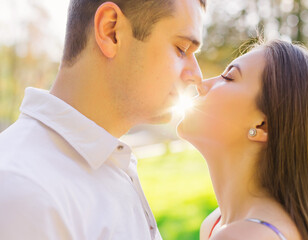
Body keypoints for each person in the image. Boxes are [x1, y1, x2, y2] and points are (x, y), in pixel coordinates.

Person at [0, 0, 205, 239]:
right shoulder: (23, 191)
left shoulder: (111, 162)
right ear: (111, 31)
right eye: (181, 48)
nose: (197, 75)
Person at [178, 39, 308, 240]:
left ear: (262, 126)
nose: (202, 83)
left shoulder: (245, 236)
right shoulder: (216, 223)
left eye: (228, 77)